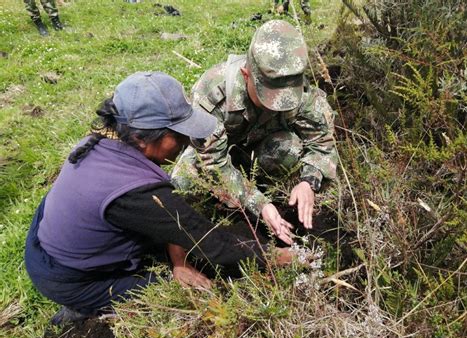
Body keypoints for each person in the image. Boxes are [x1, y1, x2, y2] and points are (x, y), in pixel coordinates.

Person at [24, 72, 293, 325]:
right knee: (169, 285)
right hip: (70, 278)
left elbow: (168, 218)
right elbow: (212, 244)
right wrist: (279, 256)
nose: (187, 142)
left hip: (48, 239)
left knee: (168, 250)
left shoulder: (99, 142)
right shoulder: (135, 193)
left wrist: (180, 259)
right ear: (142, 139)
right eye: (178, 135)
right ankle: (84, 306)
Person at [172, 20, 337, 244]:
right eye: (268, 95)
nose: (275, 105)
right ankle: (232, 201)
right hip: (219, 154)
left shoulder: (303, 91)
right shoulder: (213, 93)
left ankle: (265, 185)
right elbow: (214, 163)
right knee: (182, 185)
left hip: (261, 149)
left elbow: (322, 142)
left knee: (289, 149)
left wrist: (309, 181)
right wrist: (259, 204)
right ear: (246, 73)